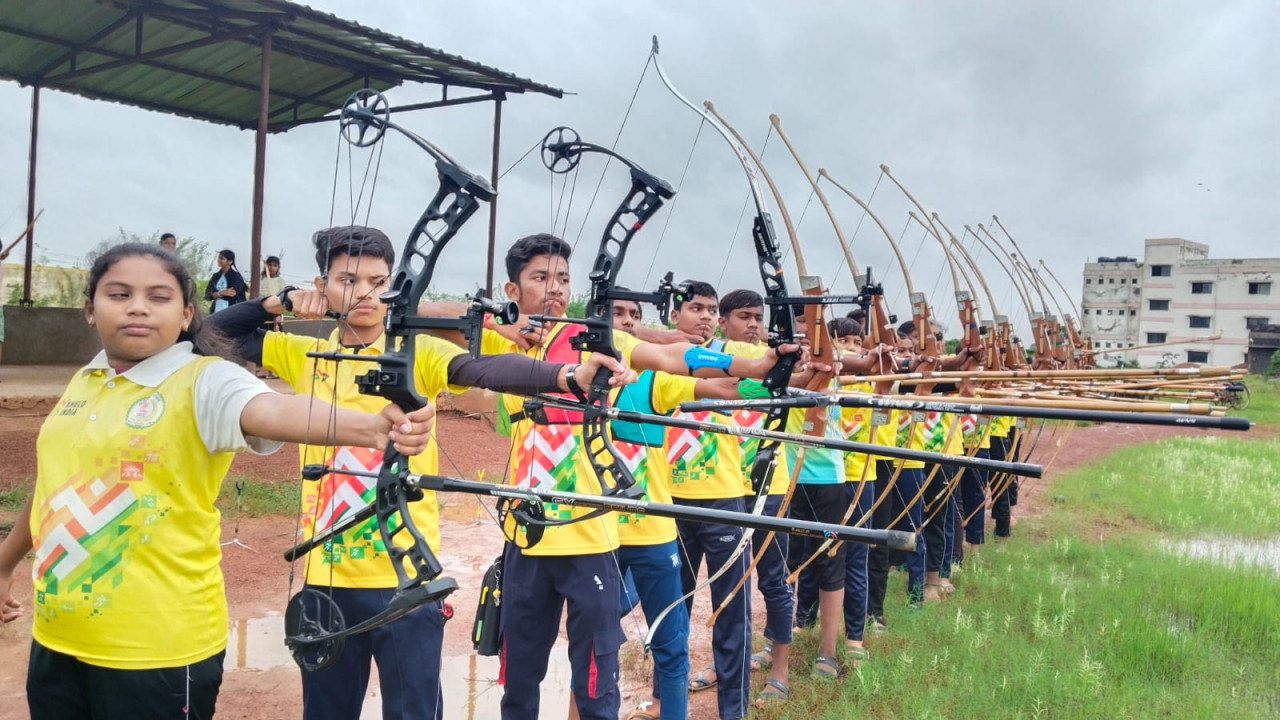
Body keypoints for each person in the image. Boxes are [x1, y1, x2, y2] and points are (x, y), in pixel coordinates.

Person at [208, 226, 632, 720]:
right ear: (322, 286)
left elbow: (484, 370)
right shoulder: (303, 352)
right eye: (348, 280)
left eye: (379, 280)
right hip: (326, 578)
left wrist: (565, 377)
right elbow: (212, 334)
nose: (366, 294)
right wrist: (276, 303)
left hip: (408, 582)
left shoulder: (420, 351)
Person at [0, 242, 437, 720]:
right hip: (57, 640)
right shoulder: (88, 379)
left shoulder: (205, 380)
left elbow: (271, 408)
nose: (138, 307)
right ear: (89, 309)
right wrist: (5, 564)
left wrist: (371, 428)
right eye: (119, 294)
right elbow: (58, 483)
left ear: (188, 312)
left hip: (156, 652)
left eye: (159, 296)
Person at [427, 235, 789, 720]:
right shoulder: (500, 340)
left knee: (598, 687)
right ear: (512, 288)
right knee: (519, 682)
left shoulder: (594, 340)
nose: (554, 290)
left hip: (591, 539)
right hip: (526, 538)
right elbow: (421, 315)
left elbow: (673, 357)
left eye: (562, 280)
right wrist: (499, 319)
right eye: (540, 278)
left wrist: (749, 363)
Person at [204, 249, 247, 314]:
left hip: (232, 312)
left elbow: (232, 295)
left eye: (221, 258)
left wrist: (215, 294)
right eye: (218, 258)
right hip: (215, 311)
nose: (219, 260)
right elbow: (207, 294)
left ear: (230, 261)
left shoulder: (236, 277)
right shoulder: (216, 276)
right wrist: (220, 293)